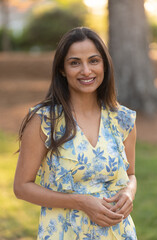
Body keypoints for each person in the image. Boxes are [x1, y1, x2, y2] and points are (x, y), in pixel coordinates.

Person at [14, 27, 137, 240]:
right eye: (75, 63)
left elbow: (131, 175)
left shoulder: (123, 119)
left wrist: (128, 193)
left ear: (105, 65)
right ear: (62, 69)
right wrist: (80, 202)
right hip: (65, 232)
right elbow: (22, 187)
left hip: (118, 233)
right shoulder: (45, 120)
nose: (86, 71)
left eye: (93, 61)